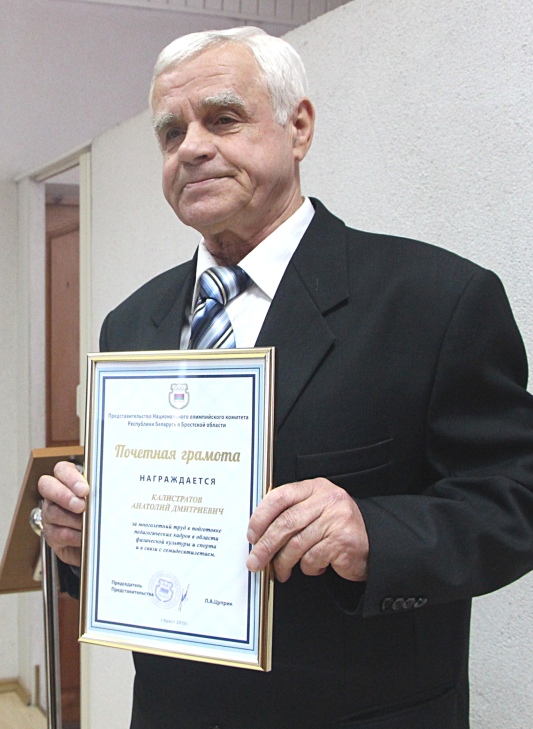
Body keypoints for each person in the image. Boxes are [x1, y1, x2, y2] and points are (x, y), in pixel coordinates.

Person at [38, 26, 533, 729]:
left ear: (297, 127)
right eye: (171, 132)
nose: (191, 148)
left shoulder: (436, 299)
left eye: (223, 119)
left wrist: (374, 531)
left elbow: (514, 499)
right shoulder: (132, 323)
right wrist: (83, 541)